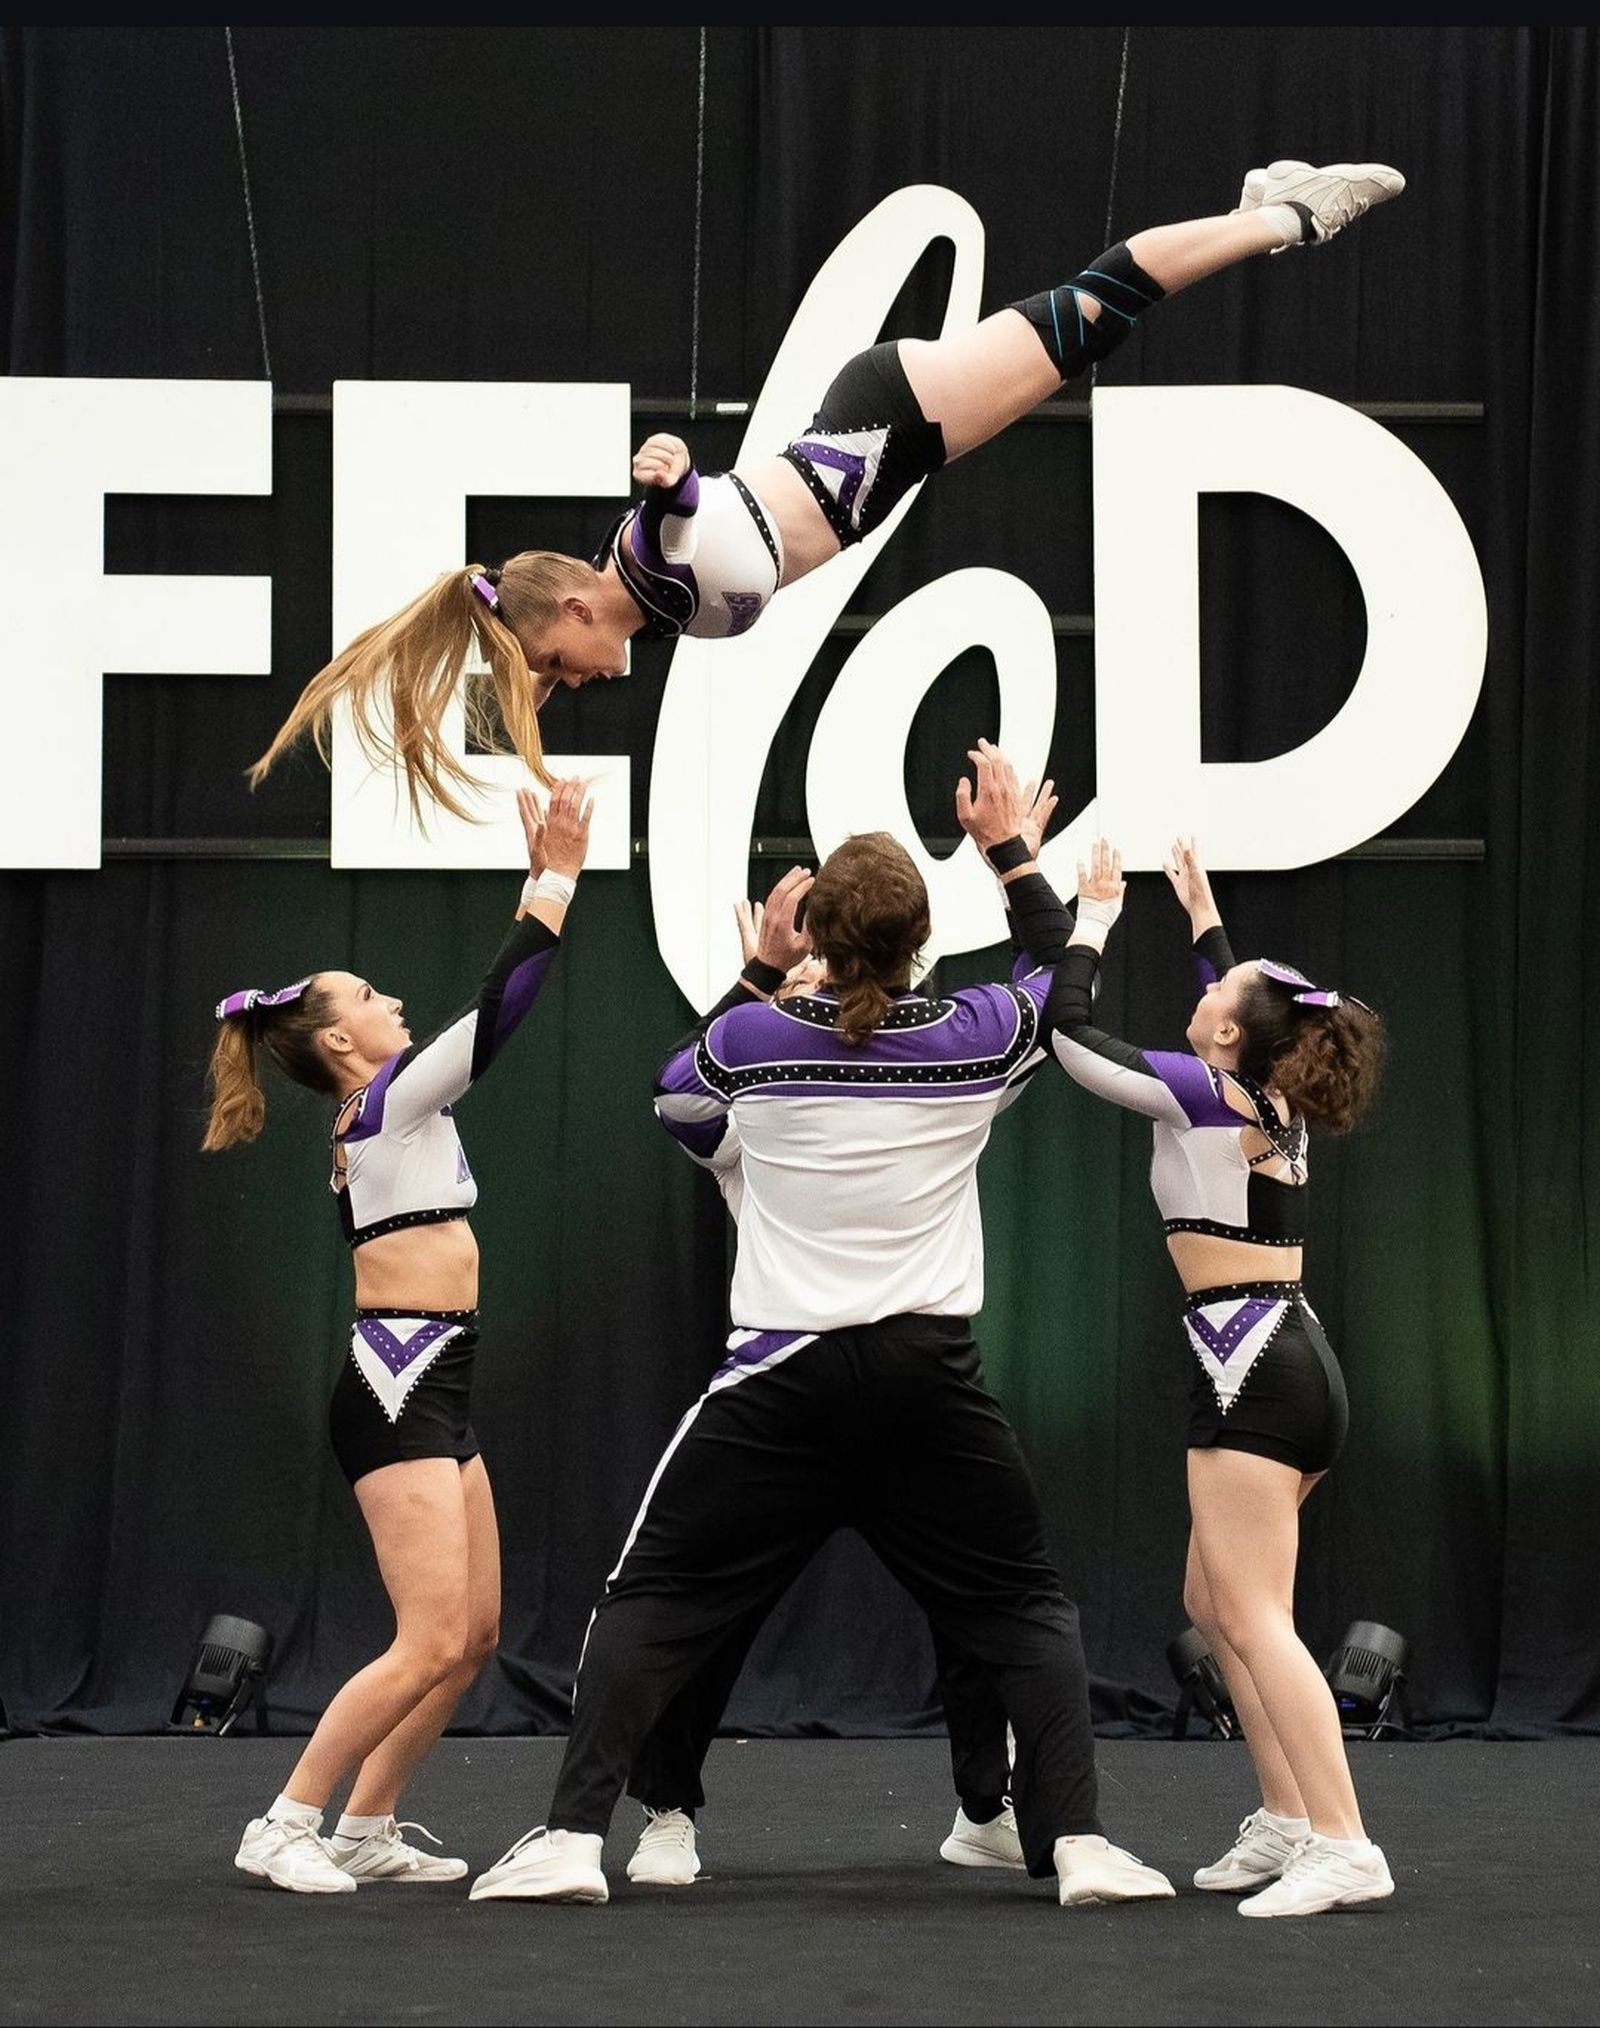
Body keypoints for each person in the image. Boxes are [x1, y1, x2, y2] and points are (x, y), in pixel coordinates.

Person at [469, 810, 1173, 1909]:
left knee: (650, 1598)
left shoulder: (755, 1043)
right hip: (925, 1379)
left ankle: (569, 1838)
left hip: (780, 1381)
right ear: (919, 938)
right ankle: (1076, 1842)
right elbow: (1052, 980)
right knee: (1025, 1606)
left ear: (818, 937)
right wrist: (1007, 848)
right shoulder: (979, 1035)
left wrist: (760, 966)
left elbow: (675, 1098)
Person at [247, 160, 1404, 820]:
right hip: (889, 449)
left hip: (881, 416)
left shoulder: (646, 556)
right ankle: (1263, 209)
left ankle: (1282, 213)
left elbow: (677, 499)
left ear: (574, 609)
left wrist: (666, 469)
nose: (573, 689)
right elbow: (538, 630)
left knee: (1093, 312)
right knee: (1089, 323)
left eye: (557, 666)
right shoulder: (631, 604)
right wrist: (499, 673)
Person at [965, 759, 1389, 1919]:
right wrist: (1208, 925)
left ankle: (1346, 1840)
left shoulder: (1204, 1094)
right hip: (1277, 1358)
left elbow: (1070, 1033)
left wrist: (1075, 905)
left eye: (1219, 986)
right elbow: (1250, 1007)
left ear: (1221, 1035)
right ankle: (1288, 1817)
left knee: (1254, 1616)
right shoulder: (1269, 1088)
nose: (1208, 987)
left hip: (1256, 1367)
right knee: (1217, 1606)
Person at [203, 779, 593, 1892]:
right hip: (396, 1381)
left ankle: (365, 1826)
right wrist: (552, 881)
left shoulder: (399, 1111)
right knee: (425, 1638)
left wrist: (542, 884)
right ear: (339, 1037)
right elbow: (501, 1010)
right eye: (371, 994)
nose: (392, 1000)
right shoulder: (381, 1107)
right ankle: (281, 1823)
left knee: (472, 1638)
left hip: (438, 1379)